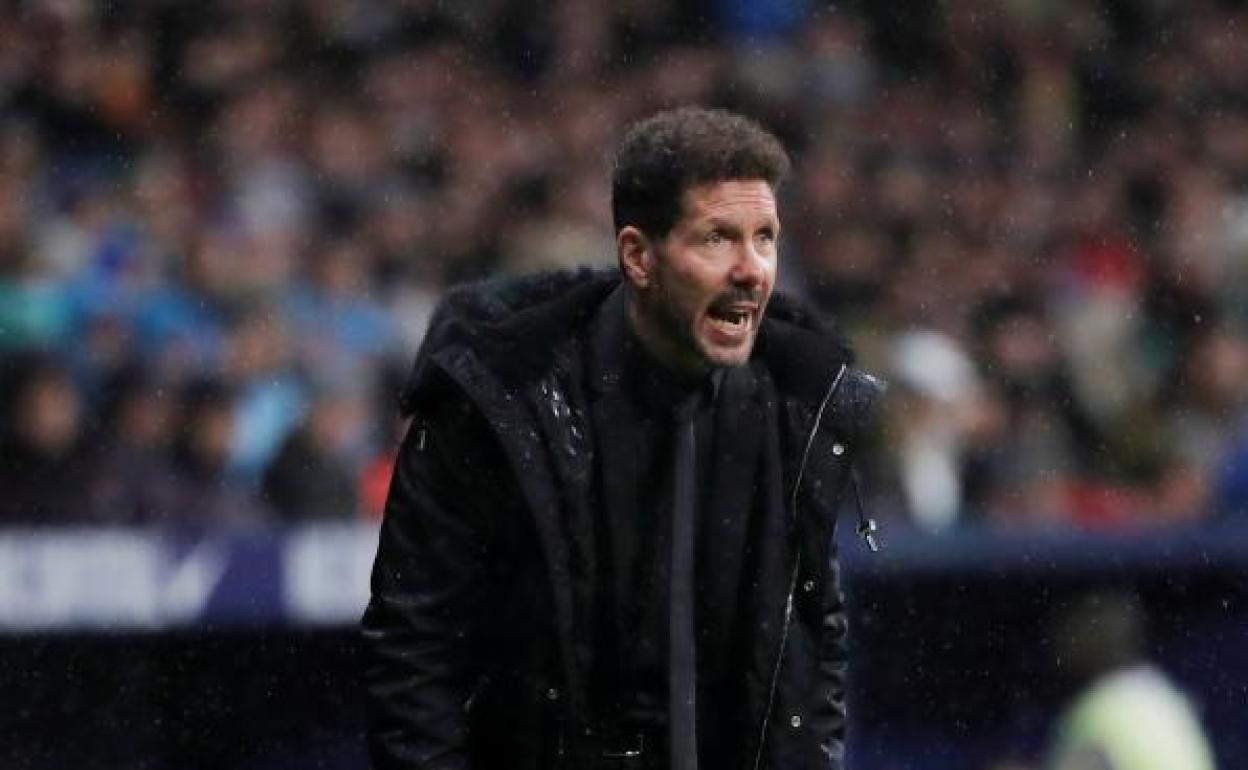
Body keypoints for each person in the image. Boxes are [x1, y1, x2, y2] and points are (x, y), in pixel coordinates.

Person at [361, 107, 883, 770]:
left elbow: (813, 642)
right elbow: (415, 650)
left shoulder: (792, 408)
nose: (752, 269)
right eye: (717, 238)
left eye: (765, 238)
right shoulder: (497, 401)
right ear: (638, 255)